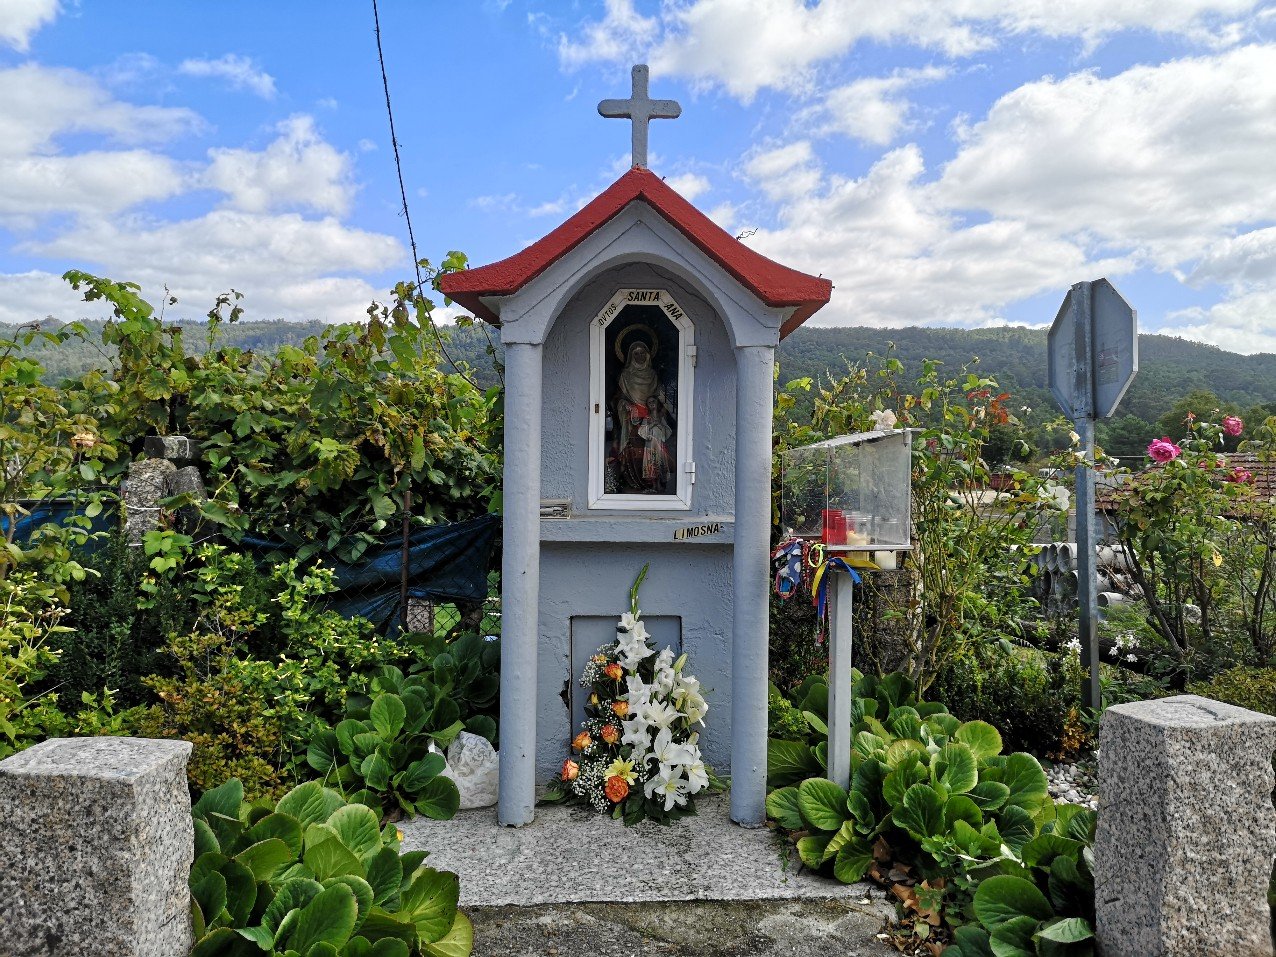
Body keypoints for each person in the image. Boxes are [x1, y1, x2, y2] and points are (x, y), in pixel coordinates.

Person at [609, 338, 674, 493]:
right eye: (636, 354)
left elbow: (661, 400)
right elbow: (617, 399)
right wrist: (625, 405)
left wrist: (657, 412)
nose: (640, 356)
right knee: (633, 451)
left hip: (651, 422)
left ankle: (654, 483)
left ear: (648, 355)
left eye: (642, 353)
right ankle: (633, 483)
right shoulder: (625, 376)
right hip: (632, 421)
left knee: (653, 453)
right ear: (630, 356)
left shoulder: (653, 376)